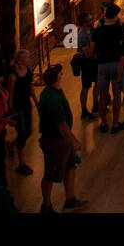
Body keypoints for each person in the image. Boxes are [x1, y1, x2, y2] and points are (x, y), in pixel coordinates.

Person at [37, 63, 86, 212]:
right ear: (56, 77)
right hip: (54, 141)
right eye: (60, 73)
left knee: (71, 167)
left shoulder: (52, 92)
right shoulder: (53, 99)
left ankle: (70, 200)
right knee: (51, 174)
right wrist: (74, 141)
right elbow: (62, 126)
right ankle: (46, 205)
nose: (62, 75)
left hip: (62, 140)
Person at [91, 3, 124, 134]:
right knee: (117, 94)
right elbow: (123, 47)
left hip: (102, 65)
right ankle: (115, 123)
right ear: (116, 16)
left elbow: (91, 48)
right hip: (116, 64)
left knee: (102, 95)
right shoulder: (119, 30)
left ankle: (104, 123)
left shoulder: (98, 31)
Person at [6, 48, 38, 176]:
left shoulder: (28, 71)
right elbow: (10, 94)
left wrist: (35, 100)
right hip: (18, 107)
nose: (29, 59)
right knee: (22, 132)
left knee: (28, 131)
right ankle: (21, 163)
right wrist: (11, 109)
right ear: (20, 60)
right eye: (27, 58)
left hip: (26, 105)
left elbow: (30, 86)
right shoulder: (13, 77)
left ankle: (11, 145)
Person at [75, 11, 99, 120]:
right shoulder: (82, 35)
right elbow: (88, 54)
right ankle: (84, 110)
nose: (92, 21)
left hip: (95, 62)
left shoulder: (92, 30)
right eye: (89, 20)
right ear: (84, 23)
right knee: (86, 87)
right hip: (87, 64)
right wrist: (95, 46)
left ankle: (96, 104)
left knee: (98, 83)